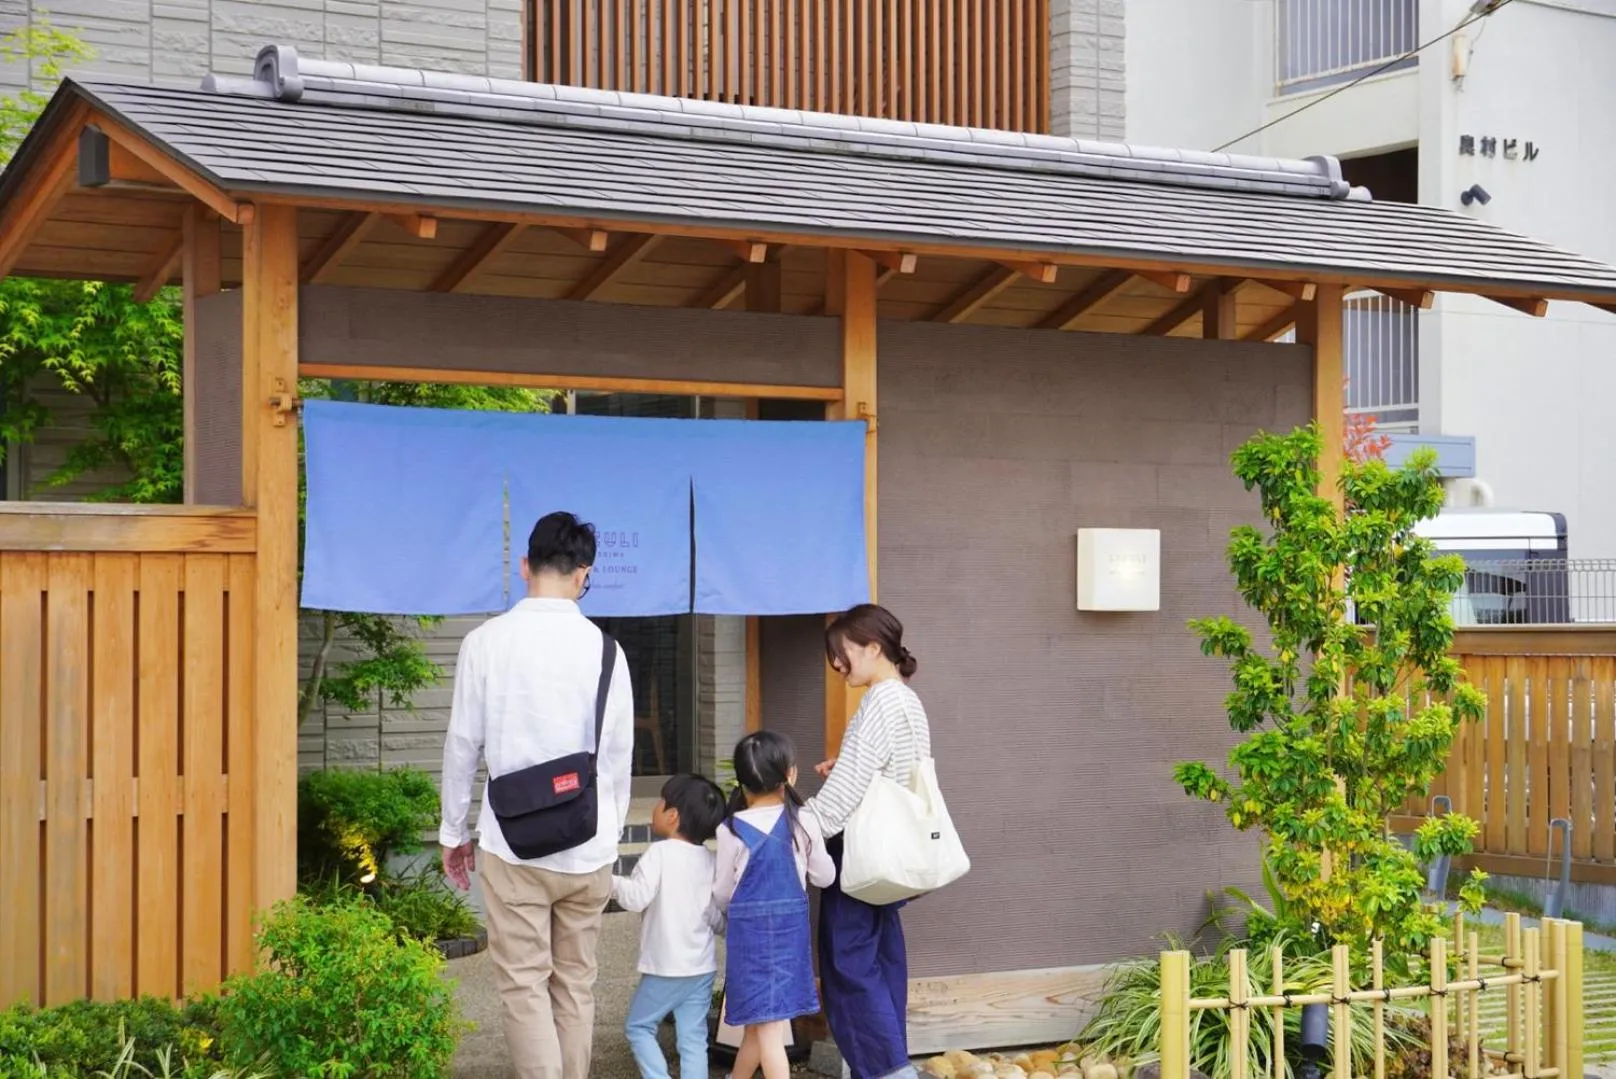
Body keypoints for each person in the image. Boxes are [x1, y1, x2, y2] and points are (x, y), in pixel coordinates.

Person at [438, 511, 634, 1079]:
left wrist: (454, 833)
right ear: (584, 575)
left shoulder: (484, 643)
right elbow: (618, 758)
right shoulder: (606, 651)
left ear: (525, 566)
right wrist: (609, 834)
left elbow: (462, 747)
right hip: (587, 847)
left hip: (512, 842)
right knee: (575, 983)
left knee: (524, 985)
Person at [804, 604, 930, 1079]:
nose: (837, 665)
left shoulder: (879, 701)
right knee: (882, 961)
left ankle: (890, 1072)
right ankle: (888, 1065)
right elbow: (899, 773)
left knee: (847, 965)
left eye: (842, 654)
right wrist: (848, 764)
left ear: (873, 648)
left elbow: (847, 792)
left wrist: (800, 829)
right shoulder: (907, 700)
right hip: (891, 854)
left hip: (857, 853)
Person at [712, 731, 835, 1079]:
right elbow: (824, 877)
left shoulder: (730, 829)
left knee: (763, 1022)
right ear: (790, 774)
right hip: (788, 935)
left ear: (742, 779)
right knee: (766, 1024)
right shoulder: (803, 820)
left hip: (749, 938)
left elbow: (722, 892)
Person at [612, 774, 728, 1079]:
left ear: (673, 816)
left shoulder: (659, 854)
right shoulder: (710, 859)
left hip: (666, 967)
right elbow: (716, 917)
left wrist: (608, 882)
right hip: (701, 967)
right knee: (692, 1039)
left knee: (639, 1027)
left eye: (661, 801)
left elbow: (636, 898)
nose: (656, 806)